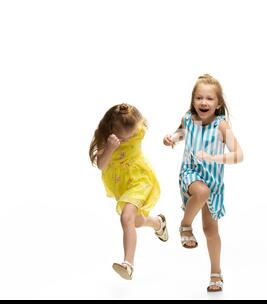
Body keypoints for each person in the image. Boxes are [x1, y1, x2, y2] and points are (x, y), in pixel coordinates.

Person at [163, 74, 244, 292]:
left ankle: (216, 273)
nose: (203, 102)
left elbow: (238, 155)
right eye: (199, 98)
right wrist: (171, 138)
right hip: (191, 174)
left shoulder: (221, 126)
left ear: (218, 104)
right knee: (201, 191)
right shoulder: (189, 118)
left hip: (214, 183)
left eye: (209, 99)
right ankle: (185, 225)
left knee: (210, 230)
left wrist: (214, 158)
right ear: (193, 100)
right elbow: (181, 132)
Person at [89, 103, 168, 280]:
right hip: (122, 184)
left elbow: (137, 119)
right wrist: (109, 148)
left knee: (126, 218)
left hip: (140, 180)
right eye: (121, 138)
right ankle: (158, 223)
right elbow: (101, 165)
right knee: (135, 222)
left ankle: (128, 264)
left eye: (129, 136)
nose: (125, 141)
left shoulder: (137, 128)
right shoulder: (107, 140)